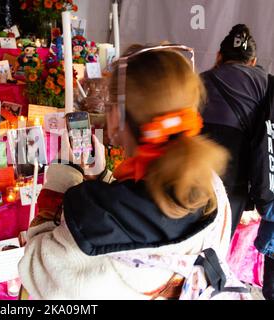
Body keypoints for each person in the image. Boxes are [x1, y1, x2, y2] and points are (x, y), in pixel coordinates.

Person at [18, 46, 232, 299]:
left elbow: (36, 265)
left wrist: (64, 172)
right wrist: (102, 178)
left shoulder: (92, 235)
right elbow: (145, 202)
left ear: (116, 117)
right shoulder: (211, 183)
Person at [200, 24, 273, 300]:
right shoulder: (267, 83)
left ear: (219, 56)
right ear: (253, 61)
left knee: (191, 239)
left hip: (196, 169)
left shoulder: (201, 80)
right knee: (217, 247)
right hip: (236, 178)